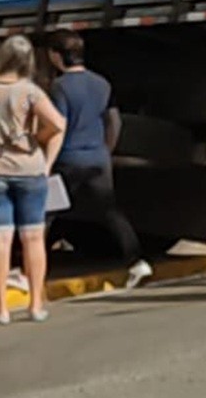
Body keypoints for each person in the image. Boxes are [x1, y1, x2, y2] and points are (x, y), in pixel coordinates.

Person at [46, 30, 152, 290]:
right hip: (98, 159)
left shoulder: (59, 87)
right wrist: (107, 149)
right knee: (110, 211)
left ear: (57, 56)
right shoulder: (102, 84)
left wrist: (46, 159)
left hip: (68, 158)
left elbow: (56, 125)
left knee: (46, 214)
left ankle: (28, 270)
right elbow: (113, 121)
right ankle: (137, 261)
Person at [0, 35, 66, 324]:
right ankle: (35, 304)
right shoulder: (31, 92)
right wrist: (42, 150)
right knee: (33, 237)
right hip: (28, 168)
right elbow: (58, 124)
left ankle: (0, 308)